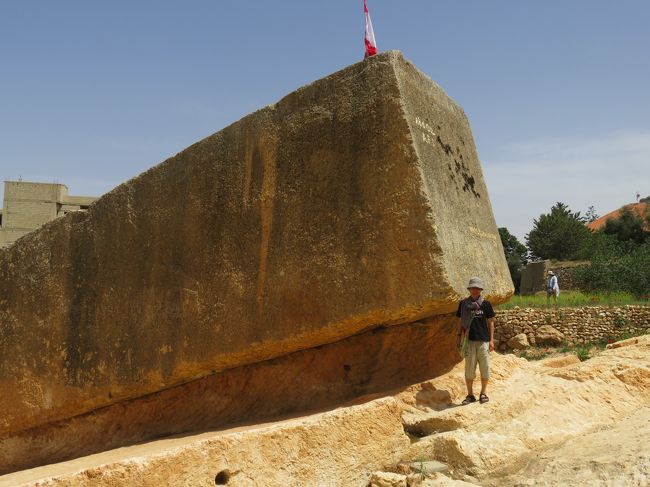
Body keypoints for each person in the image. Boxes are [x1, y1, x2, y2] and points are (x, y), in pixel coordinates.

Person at [456, 277, 495, 405]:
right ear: (469, 289)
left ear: (480, 289)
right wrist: (458, 337)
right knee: (469, 369)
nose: (475, 290)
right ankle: (470, 395)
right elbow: (460, 322)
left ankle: (483, 393)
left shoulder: (486, 304)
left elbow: (491, 323)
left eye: (477, 288)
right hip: (469, 340)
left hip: (483, 340)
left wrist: (491, 340)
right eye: (473, 288)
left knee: (485, 368)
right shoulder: (463, 304)